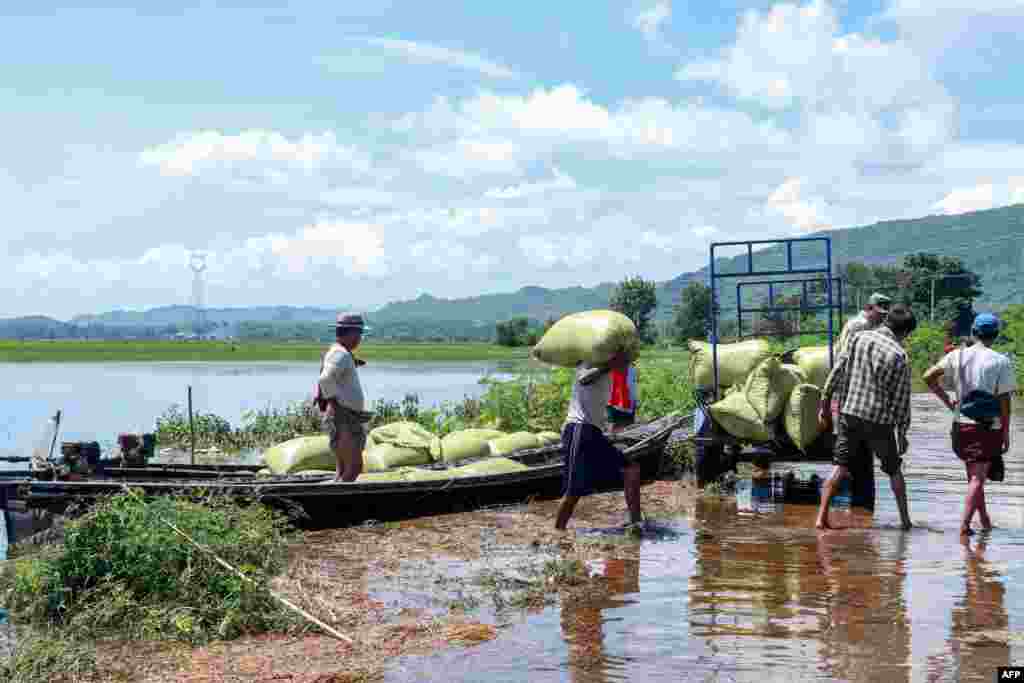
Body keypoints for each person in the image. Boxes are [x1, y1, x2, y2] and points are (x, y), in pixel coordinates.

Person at [815, 304, 917, 531]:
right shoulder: (899, 355)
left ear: (886, 321)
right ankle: (905, 522)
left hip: (849, 413)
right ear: (905, 333)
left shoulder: (858, 338)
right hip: (878, 420)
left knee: (840, 466)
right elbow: (901, 401)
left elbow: (837, 372)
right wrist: (902, 434)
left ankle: (821, 518)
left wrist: (824, 404)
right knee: (893, 470)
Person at [922, 313, 1015, 537]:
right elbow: (1004, 401)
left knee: (974, 476)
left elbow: (928, 377)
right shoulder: (1000, 361)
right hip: (986, 427)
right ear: (995, 335)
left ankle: (984, 521)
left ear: (974, 332)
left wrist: (948, 402)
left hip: (961, 425)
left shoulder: (957, 355)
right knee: (977, 478)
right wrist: (1005, 431)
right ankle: (964, 526)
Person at [555, 351, 644, 532]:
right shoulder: (588, 362)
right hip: (578, 429)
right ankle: (557, 532)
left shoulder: (610, 371)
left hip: (593, 432)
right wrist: (611, 365)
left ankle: (636, 523)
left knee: (631, 469)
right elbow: (584, 379)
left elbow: (619, 406)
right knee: (573, 491)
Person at [317, 313, 373, 482]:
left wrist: (352, 362)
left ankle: (333, 494)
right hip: (344, 417)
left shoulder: (341, 353)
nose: (360, 339)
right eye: (359, 334)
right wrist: (335, 404)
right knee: (354, 468)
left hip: (343, 415)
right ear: (350, 333)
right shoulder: (340, 354)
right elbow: (325, 379)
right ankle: (336, 502)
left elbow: (330, 375)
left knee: (343, 469)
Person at [606, 361, 637, 433]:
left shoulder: (631, 367)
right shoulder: (610, 365)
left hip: (627, 402)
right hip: (615, 401)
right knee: (616, 428)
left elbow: (632, 385)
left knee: (627, 428)